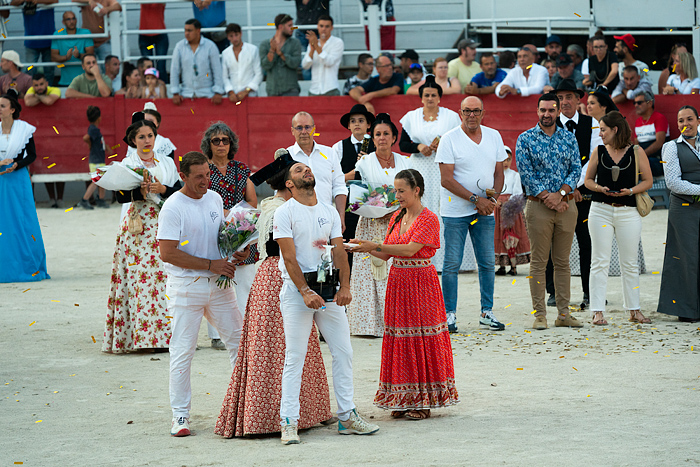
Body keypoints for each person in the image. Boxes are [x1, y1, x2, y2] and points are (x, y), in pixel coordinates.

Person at [215, 150, 333, 437]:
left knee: (279, 346)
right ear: (288, 182)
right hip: (280, 275)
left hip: (273, 276)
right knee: (282, 346)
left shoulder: (272, 206)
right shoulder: (279, 208)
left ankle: (289, 413)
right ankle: (284, 416)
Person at [274, 160, 379, 445]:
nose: (306, 171)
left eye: (307, 168)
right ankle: (288, 421)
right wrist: (305, 291)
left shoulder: (329, 210)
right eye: (298, 170)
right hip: (298, 293)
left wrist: (345, 286)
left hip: (329, 291)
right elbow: (289, 257)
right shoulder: (284, 213)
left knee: (343, 351)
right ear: (290, 184)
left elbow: (339, 251)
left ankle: (346, 416)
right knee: (295, 356)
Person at [350, 168, 459, 420]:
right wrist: (360, 247)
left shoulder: (429, 218)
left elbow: (410, 250)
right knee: (400, 338)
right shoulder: (397, 217)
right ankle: (401, 397)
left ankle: (422, 400)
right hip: (398, 281)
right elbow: (387, 254)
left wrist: (373, 245)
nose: (396, 195)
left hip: (421, 282)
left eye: (401, 191)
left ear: (416, 190)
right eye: (395, 190)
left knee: (420, 337)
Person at [157, 151, 246, 437]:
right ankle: (180, 416)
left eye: (208, 174)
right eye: (198, 176)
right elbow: (167, 252)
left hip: (218, 285)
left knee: (239, 342)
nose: (206, 181)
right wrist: (212, 264)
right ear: (182, 176)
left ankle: (241, 405)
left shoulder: (215, 198)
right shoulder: (172, 207)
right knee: (182, 351)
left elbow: (220, 236)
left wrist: (237, 247)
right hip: (187, 286)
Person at [102, 119, 182, 353]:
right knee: (141, 279)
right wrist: (141, 191)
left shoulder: (167, 162)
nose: (147, 141)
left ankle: (166, 338)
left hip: (164, 223)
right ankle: (143, 338)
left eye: (150, 136)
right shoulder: (127, 164)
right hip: (137, 227)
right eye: (141, 137)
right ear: (133, 141)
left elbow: (178, 192)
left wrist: (163, 190)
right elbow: (119, 197)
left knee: (164, 277)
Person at [435, 96, 507, 333]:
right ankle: (449, 314)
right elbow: (446, 179)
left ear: (483, 112)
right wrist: (477, 200)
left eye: (476, 111)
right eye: (467, 111)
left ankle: (487, 311)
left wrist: (493, 199)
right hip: (456, 210)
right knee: (452, 263)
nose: (472, 115)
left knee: (487, 263)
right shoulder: (449, 138)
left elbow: (499, 171)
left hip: (485, 208)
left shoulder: (494, 135)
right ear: (460, 112)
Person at [515, 93, 583, 330]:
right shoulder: (525, 139)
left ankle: (564, 314)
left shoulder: (569, 138)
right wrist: (550, 198)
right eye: (543, 110)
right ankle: (540, 314)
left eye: (551, 110)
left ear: (557, 111)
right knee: (539, 262)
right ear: (537, 111)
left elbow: (576, 169)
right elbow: (526, 174)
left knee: (563, 262)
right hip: (539, 206)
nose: (547, 114)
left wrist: (561, 195)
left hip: (566, 205)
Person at [583, 111, 653, 326]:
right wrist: (599, 188)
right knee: (599, 261)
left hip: (628, 210)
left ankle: (634, 309)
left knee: (630, 263)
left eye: (603, 129)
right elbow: (587, 180)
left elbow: (648, 181)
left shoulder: (636, 151)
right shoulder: (599, 150)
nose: (600, 134)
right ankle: (597, 311)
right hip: (601, 208)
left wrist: (630, 191)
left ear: (615, 129)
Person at [347, 113, 411, 337]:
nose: (382, 138)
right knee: (369, 271)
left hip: (398, 223)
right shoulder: (364, 162)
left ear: (394, 137)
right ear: (372, 139)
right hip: (371, 223)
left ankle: (396, 322)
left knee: (395, 270)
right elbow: (356, 189)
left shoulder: (405, 161)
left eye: (386, 134)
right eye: (377, 134)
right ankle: (368, 325)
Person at [545, 79, 603, 309]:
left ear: (579, 99)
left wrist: (574, 188)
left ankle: (590, 292)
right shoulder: (548, 123)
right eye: (560, 98)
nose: (565, 102)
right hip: (557, 193)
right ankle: (553, 291)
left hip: (584, 192)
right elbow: (549, 161)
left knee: (587, 242)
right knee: (553, 242)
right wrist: (564, 191)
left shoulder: (593, 123)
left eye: (569, 97)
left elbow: (593, 158)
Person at [399, 76, 466, 274]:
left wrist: (443, 146)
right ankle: (420, 254)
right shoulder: (411, 117)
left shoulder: (451, 116)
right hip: (419, 167)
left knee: (444, 206)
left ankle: (449, 260)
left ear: (439, 97)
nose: (430, 98)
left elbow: (459, 140)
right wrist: (418, 146)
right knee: (422, 206)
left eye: (433, 95)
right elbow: (403, 144)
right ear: (421, 98)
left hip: (443, 167)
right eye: (426, 95)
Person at [200, 121, 258, 349]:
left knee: (245, 281)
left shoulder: (241, 169)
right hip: (214, 229)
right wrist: (230, 214)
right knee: (217, 280)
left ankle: (246, 330)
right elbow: (203, 201)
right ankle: (216, 334)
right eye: (216, 140)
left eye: (225, 140)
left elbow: (252, 200)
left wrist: (237, 218)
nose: (221, 144)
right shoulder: (204, 170)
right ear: (209, 144)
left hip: (242, 228)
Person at [0, 93, 50, 283]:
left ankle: (27, 264)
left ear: (12, 110)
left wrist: (16, 165)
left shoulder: (24, 130)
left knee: (22, 220)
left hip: (17, 178)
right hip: (1, 179)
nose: (0, 109)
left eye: (3, 106)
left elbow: (32, 155)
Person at [657, 105, 700, 323]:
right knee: (686, 256)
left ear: (698, 120)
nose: (685, 124)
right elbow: (673, 182)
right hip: (683, 208)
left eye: (689, 119)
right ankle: (687, 310)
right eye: (681, 121)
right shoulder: (671, 147)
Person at [331, 103, 376, 268]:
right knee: (349, 239)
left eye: (361, 120)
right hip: (349, 201)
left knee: (371, 240)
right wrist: (353, 173)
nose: (357, 124)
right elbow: (332, 177)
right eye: (353, 121)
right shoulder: (338, 147)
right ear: (349, 125)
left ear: (368, 125)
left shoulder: (377, 145)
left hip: (372, 200)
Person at [287, 111, 347, 224]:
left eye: (307, 127)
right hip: (296, 219)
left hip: (327, 218)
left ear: (314, 128)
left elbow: (339, 186)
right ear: (292, 131)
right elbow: (279, 193)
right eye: (299, 128)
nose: (304, 132)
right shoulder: (286, 156)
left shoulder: (330, 153)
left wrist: (340, 216)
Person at [494, 146, 530, 276]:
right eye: (503, 160)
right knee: (498, 236)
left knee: (511, 236)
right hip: (497, 209)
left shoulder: (515, 175)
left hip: (511, 210)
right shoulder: (494, 175)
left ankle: (513, 267)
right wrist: (495, 200)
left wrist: (508, 204)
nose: (505, 163)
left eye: (508, 160)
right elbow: (491, 190)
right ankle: (502, 266)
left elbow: (518, 193)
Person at [170, 19, 224, 105]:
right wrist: (175, 92)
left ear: (198, 31)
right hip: (186, 94)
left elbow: (217, 70)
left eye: (189, 30)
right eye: (185, 30)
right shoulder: (179, 47)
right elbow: (174, 70)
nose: (186, 33)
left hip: (208, 94)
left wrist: (218, 91)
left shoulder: (210, 46)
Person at [11, 0, 57, 84]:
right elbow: (13, 3)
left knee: (49, 71)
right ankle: (30, 91)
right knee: (29, 69)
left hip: (49, 40)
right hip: (31, 42)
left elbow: (55, 1)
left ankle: (49, 91)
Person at [260, 13, 302, 97]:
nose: (293, 28)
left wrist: (281, 54)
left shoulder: (295, 43)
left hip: (291, 89)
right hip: (273, 90)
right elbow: (265, 66)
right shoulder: (265, 44)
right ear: (280, 27)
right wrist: (272, 50)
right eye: (289, 26)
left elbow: (296, 63)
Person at [302, 14, 344, 96]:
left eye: (327, 26)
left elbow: (329, 62)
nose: (324, 29)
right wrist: (312, 49)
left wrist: (316, 46)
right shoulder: (313, 43)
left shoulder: (338, 42)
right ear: (317, 27)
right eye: (321, 26)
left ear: (332, 28)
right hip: (314, 90)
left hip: (331, 89)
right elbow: (305, 66)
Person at [51, 11, 94, 86]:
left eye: (73, 18)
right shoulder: (57, 34)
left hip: (85, 80)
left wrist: (79, 55)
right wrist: (66, 57)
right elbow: (53, 57)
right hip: (65, 82)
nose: (72, 21)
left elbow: (91, 55)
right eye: (68, 19)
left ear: (76, 20)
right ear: (63, 22)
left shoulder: (85, 32)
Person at [221, 23, 263, 102]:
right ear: (228, 37)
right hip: (233, 97)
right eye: (231, 36)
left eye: (236, 35)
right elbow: (224, 76)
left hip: (251, 95)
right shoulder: (225, 53)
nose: (234, 38)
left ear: (241, 34)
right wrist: (230, 92)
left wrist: (246, 90)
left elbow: (258, 74)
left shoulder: (252, 50)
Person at [78, 105, 108, 210]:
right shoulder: (93, 129)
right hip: (96, 160)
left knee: (101, 179)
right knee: (97, 180)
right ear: (99, 118)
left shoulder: (94, 129)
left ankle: (101, 199)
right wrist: (89, 144)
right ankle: (85, 200)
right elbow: (86, 137)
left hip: (97, 159)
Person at [633, 91, 669, 177]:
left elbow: (659, 143)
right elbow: (636, 144)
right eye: (634, 103)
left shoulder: (659, 118)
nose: (636, 105)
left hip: (658, 160)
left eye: (639, 103)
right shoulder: (637, 122)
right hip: (643, 159)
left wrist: (641, 156)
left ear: (650, 103)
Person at [138, 0, 169, 82]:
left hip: (160, 38)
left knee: (161, 66)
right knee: (147, 66)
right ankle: (148, 90)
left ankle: (163, 91)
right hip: (146, 38)